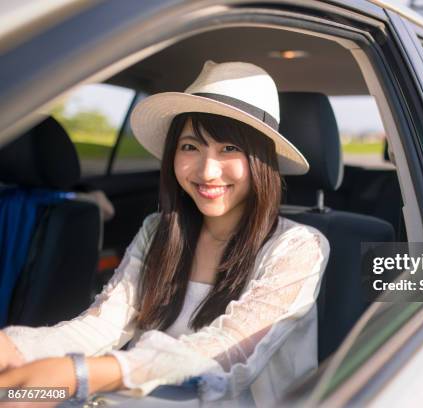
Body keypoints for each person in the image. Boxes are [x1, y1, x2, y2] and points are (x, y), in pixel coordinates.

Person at [0, 61, 330, 406]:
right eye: (191, 147)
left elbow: (231, 353)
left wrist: (78, 374)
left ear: (262, 160)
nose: (207, 170)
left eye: (229, 149)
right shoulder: (157, 229)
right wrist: (16, 346)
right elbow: (102, 326)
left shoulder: (298, 247)